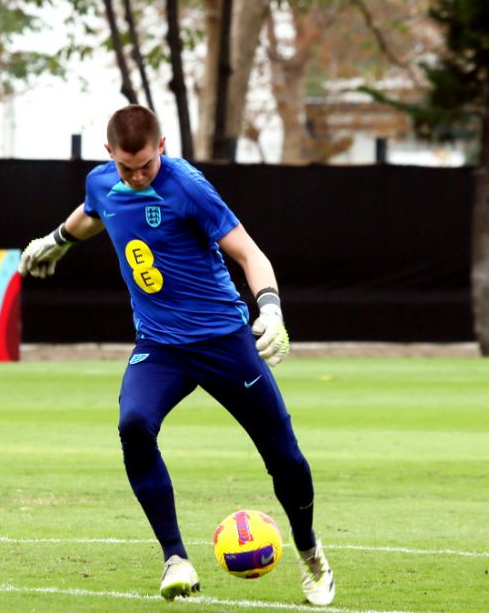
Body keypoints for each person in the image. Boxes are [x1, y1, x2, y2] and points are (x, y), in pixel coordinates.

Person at [18, 105, 334, 605]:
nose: (138, 175)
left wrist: (270, 311)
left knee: (284, 455)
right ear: (109, 157)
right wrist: (56, 241)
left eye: (146, 164)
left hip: (224, 342)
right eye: (127, 168)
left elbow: (250, 254)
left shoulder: (188, 187)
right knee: (133, 424)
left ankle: (310, 551)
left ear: (162, 146)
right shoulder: (104, 182)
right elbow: (93, 211)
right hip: (160, 347)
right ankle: (175, 558)